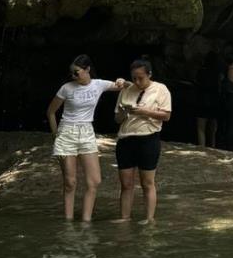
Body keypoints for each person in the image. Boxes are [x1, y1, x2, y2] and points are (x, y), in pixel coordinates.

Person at [46, 55, 124, 222]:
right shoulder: (66, 88)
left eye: (76, 72)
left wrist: (121, 80)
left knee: (94, 180)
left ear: (87, 69)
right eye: (71, 74)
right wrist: (56, 136)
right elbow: (51, 112)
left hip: (87, 131)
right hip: (67, 132)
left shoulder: (99, 84)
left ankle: (85, 221)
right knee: (70, 182)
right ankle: (68, 223)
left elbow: (126, 86)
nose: (73, 76)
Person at [115, 57, 172, 222]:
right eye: (134, 78)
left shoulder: (161, 89)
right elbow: (117, 119)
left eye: (141, 77)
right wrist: (124, 112)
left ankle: (149, 218)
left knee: (147, 182)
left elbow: (166, 116)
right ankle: (125, 218)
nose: (137, 81)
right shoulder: (126, 89)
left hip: (148, 139)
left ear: (149, 74)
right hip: (126, 139)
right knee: (126, 184)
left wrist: (145, 112)